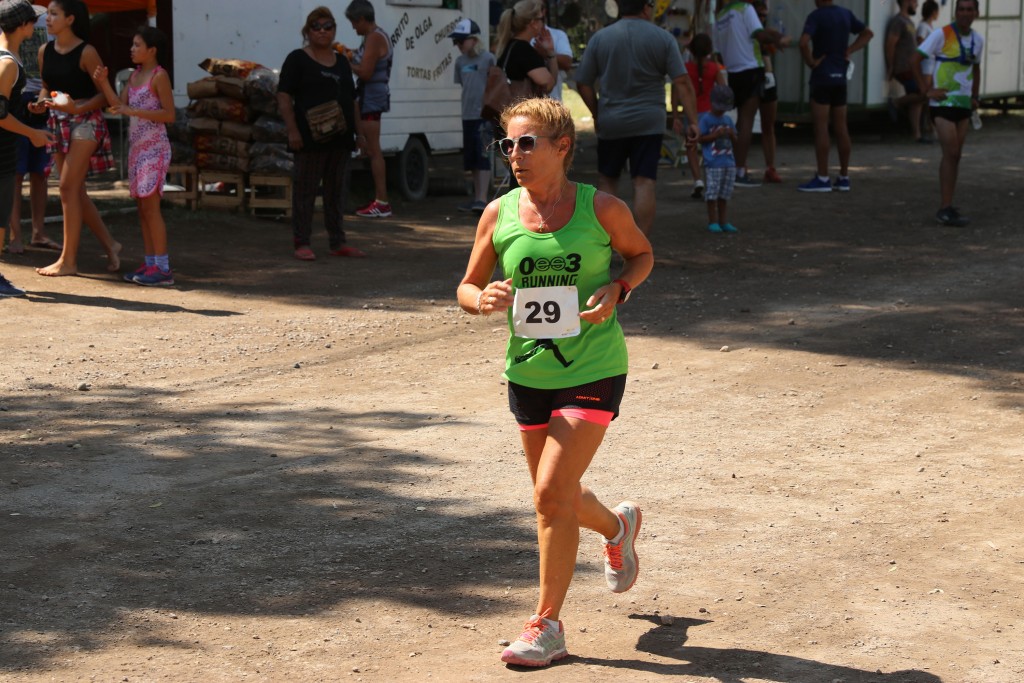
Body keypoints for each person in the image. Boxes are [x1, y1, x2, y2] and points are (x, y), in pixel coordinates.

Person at [456, 97, 653, 668]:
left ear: (562, 146)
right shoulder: (498, 213)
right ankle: (618, 528)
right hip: (528, 373)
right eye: (508, 144)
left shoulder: (602, 209)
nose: (514, 154)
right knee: (557, 495)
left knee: (547, 494)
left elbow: (641, 256)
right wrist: (482, 299)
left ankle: (547, 625)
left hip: (594, 366)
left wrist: (619, 288)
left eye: (526, 143)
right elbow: (466, 287)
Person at [576, 0, 699, 236]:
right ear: (645, 7)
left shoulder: (600, 38)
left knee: (608, 180)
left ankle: (606, 241)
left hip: (612, 120)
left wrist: (597, 113)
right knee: (644, 182)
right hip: (649, 122)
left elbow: (583, 82)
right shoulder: (663, 38)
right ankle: (640, 244)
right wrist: (693, 121)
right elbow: (682, 81)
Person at [33, 0, 121, 277]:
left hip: (86, 121)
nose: (47, 19)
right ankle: (111, 244)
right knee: (75, 192)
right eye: (48, 14)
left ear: (70, 19)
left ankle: (68, 261)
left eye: (54, 14)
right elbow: (46, 87)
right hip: (58, 122)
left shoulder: (87, 52)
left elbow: (104, 94)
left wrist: (77, 109)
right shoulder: (44, 51)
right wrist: (40, 104)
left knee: (67, 187)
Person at [278, 7, 364, 260]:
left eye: (328, 26)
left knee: (336, 192)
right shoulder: (297, 59)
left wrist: (360, 134)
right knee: (305, 191)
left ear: (335, 30)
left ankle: (337, 242)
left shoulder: (342, 62)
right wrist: (292, 130)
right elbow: (284, 96)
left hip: (341, 138)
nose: (322, 31)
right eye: (316, 26)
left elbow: (353, 100)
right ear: (308, 31)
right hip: (309, 139)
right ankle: (302, 242)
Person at [94, 26, 176, 286]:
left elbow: (169, 115)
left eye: (137, 45)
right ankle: (151, 264)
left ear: (152, 50)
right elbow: (118, 106)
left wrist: (133, 111)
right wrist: (103, 82)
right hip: (137, 149)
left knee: (151, 208)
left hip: (154, 149)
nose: (132, 49)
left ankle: (162, 268)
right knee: (142, 208)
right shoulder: (134, 76)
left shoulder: (159, 76)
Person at [911, 0, 982, 227]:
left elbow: (976, 68)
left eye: (969, 9)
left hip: (963, 105)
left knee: (955, 155)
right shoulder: (942, 34)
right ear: (955, 12)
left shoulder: (978, 39)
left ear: (976, 13)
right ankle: (944, 208)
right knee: (951, 152)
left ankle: (947, 205)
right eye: (961, 9)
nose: (965, 13)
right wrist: (926, 91)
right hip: (942, 104)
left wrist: (975, 96)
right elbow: (915, 59)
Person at [0, 0, 52, 296]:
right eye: (32, 20)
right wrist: (32, 133)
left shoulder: (8, 57)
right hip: (2, 149)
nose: (35, 25)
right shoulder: (8, 62)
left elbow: (7, 106)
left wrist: (27, 109)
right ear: (22, 25)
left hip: (6, 146)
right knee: (0, 212)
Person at [797, 0, 873, 192]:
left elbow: (803, 43)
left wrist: (811, 62)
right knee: (841, 127)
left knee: (821, 128)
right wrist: (849, 49)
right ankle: (844, 176)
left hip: (822, 76)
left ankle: (823, 178)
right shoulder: (845, 14)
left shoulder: (816, 16)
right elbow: (868, 33)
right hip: (840, 77)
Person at [712, 0, 788, 187]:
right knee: (747, 121)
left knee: (744, 121)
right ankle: (739, 171)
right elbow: (760, 35)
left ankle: (740, 169)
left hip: (734, 72)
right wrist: (778, 39)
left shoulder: (720, 16)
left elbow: (718, 53)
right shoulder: (745, 9)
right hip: (752, 70)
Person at [8, 5, 58, 255]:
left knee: (40, 172)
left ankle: (39, 233)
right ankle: (15, 235)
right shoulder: (8, 13)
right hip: (14, 95)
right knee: (14, 173)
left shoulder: (46, 15)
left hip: (42, 96)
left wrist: (45, 95)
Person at [492, 0, 557, 190]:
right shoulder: (523, 50)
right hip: (523, 124)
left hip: (508, 121)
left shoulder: (508, 46)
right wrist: (550, 54)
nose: (543, 24)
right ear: (533, 23)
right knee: (526, 177)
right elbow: (547, 82)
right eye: (541, 19)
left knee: (518, 174)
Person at [346, 0, 393, 219]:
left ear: (363, 19)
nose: (353, 27)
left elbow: (365, 72)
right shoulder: (373, 36)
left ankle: (382, 202)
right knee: (371, 149)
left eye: (354, 23)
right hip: (370, 97)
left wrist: (343, 62)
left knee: (374, 150)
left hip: (372, 99)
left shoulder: (374, 37)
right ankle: (379, 200)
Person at [450, 18, 494, 213]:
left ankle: (483, 198)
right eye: (456, 41)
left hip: (484, 115)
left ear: (474, 40)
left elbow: (495, 83)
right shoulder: (460, 62)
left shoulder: (488, 59)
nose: (458, 45)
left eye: (461, 41)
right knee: (472, 158)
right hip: (467, 115)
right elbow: (463, 84)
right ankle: (477, 197)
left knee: (483, 155)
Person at [682, 32, 727, 200]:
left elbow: (678, 91)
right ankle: (712, 181)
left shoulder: (685, 68)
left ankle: (698, 180)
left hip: (691, 114)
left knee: (691, 148)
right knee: (711, 149)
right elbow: (723, 90)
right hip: (710, 114)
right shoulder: (714, 68)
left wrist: (677, 115)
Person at [698, 84, 739, 233]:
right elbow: (700, 139)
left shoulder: (728, 120)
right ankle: (713, 221)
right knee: (712, 193)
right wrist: (715, 135)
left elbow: (736, 141)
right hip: (713, 163)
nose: (722, 111)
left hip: (728, 162)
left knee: (724, 194)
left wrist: (732, 134)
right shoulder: (706, 119)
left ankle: (723, 221)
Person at [885, 0, 926, 141]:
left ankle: (916, 135)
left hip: (912, 68)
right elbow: (890, 45)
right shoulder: (898, 22)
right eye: (915, 1)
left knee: (917, 101)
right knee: (922, 93)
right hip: (903, 67)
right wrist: (891, 66)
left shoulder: (910, 22)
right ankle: (897, 103)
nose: (917, 5)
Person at [754, 0, 782, 183]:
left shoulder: (765, 31)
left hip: (767, 76)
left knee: (768, 125)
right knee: (745, 123)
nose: (762, 18)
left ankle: (770, 167)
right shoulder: (748, 30)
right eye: (759, 14)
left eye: (764, 15)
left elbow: (775, 44)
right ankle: (741, 167)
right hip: (752, 76)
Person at [533, 2, 573, 102]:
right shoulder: (522, 38)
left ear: (543, 11)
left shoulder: (558, 35)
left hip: (553, 101)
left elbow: (567, 63)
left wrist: (547, 54)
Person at [915, 0, 939, 141]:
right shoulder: (923, 26)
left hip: (931, 63)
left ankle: (928, 124)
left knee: (928, 96)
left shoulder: (929, 26)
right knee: (925, 94)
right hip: (926, 64)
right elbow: (920, 41)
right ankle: (926, 125)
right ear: (934, 12)